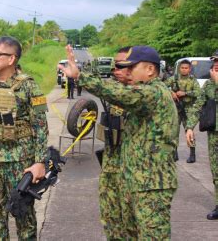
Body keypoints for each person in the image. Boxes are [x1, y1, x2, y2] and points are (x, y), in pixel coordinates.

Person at [62, 45, 178, 240]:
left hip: (152, 182)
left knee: (152, 236)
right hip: (136, 179)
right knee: (129, 232)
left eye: (131, 67)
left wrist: (80, 76)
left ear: (150, 69)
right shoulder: (144, 92)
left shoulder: (153, 92)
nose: (126, 72)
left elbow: (121, 94)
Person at [0, 36, 48, 240]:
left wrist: (40, 162)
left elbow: (41, 126)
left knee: (24, 216)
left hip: (19, 161)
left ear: (11, 58)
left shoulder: (30, 87)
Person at [97, 46, 131, 239]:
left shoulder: (146, 93)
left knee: (132, 221)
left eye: (122, 65)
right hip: (110, 162)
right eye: (114, 65)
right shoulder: (113, 89)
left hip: (132, 168)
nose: (116, 69)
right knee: (110, 216)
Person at [186, 50, 218, 220]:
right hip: (214, 133)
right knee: (216, 171)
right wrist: (190, 126)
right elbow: (198, 105)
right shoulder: (209, 85)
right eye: (214, 62)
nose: (216, 65)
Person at [165, 60, 200, 162]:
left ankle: (192, 154)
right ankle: (174, 153)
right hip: (176, 108)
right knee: (174, 131)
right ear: (179, 68)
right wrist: (171, 92)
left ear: (189, 69)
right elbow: (162, 86)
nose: (184, 70)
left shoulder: (192, 80)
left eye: (186, 68)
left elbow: (198, 92)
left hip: (188, 109)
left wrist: (185, 93)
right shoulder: (174, 78)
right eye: (182, 68)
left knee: (189, 131)